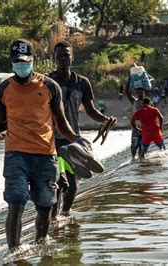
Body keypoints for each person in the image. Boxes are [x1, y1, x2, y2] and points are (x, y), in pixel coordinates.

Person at [0, 39, 85, 251]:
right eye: (17, 61)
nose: (21, 65)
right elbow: (1, 126)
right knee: (16, 203)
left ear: (33, 60)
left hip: (45, 155)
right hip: (16, 155)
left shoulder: (50, 86)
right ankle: (15, 253)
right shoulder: (3, 90)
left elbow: (61, 122)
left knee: (44, 206)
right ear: (11, 62)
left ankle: (41, 244)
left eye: (25, 61)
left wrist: (76, 140)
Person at [48, 41, 116, 220]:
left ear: (73, 57)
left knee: (73, 185)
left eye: (66, 55)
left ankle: (65, 214)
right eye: (59, 56)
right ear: (54, 59)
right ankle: (53, 220)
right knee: (58, 183)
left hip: (73, 140)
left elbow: (90, 110)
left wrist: (105, 119)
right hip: (51, 140)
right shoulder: (48, 81)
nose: (63, 59)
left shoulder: (82, 83)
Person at [126, 80, 147, 159]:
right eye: (138, 93)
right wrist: (129, 81)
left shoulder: (148, 103)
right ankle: (133, 158)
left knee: (142, 147)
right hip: (135, 128)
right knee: (134, 144)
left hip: (145, 128)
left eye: (141, 93)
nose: (140, 94)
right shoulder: (134, 101)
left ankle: (141, 162)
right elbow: (127, 92)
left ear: (144, 93)